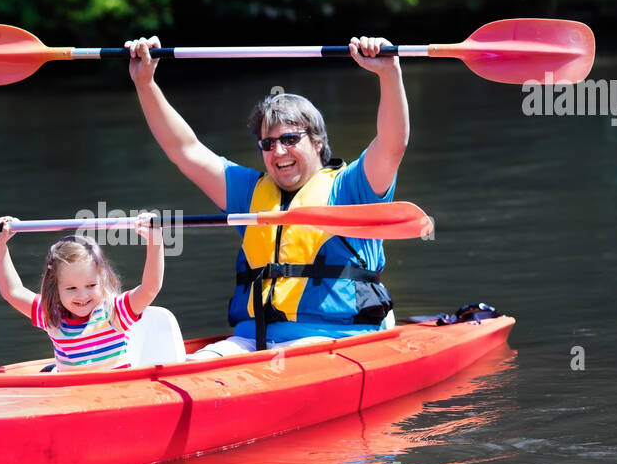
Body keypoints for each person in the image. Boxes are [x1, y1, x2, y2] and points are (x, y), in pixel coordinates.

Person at [124, 34, 409, 357]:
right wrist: (145, 83)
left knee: (291, 359)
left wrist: (389, 73)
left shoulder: (352, 188)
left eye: (289, 139)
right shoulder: (248, 192)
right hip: (251, 341)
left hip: (333, 339)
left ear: (316, 142)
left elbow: (392, 144)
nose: (279, 151)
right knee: (189, 367)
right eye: (268, 143)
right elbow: (184, 150)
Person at [0, 213, 165, 371]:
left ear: (102, 280)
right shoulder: (52, 316)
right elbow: (12, 291)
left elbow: (150, 289)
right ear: (55, 287)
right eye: (71, 288)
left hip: (117, 394)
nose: (82, 296)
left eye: (91, 285)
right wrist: (0, 244)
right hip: (71, 396)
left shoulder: (115, 312)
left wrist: (155, 240)